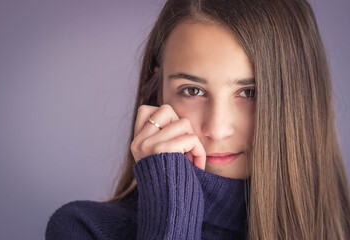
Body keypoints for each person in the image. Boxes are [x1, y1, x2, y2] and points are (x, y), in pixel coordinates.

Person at [45, 0, 350, 239]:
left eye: (249, 93)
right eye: (192, 90)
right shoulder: (84, 229)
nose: (216, 129)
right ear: (159, 89)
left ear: (299, 100)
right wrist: (172, 214)